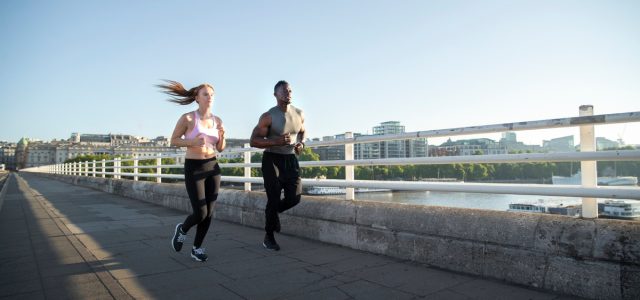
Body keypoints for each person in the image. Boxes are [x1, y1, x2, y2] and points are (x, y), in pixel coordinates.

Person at [159, 80, 226, 262]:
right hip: (194, 167)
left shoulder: (217, 120)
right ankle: (183, 229)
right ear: (197, 98)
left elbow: (220, 148)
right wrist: (192, 142)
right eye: (205, 94)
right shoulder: (188, 118)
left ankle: (197, 248)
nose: (209, 97)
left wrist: (222, 135)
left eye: (212, 95)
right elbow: (173, 140)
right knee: (200, 212)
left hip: (212, 167)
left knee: (209, 212)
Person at [250, 80, 306, 251]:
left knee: (294, 198)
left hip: (290, 159)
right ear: (275, 95)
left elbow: (302, 131)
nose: (288, 93)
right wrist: (276, 141)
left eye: (290, 90)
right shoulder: (268, 116)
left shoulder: (299, 113)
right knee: (273, 198)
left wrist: (301, 144)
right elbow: (253, 141)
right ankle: (269, 237)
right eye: (284, 91)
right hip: (272, 160)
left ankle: (273, 215)